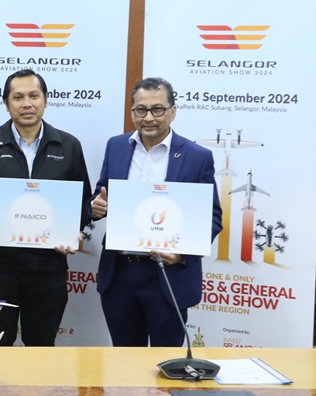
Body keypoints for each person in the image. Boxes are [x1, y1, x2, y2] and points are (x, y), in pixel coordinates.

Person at [90, 77, 223, 347]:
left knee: (166, 361)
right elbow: (101, 193)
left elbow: (212, 216)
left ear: (173, 111)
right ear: (132, 112)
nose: (148, 117)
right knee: (125, 360)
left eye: (157, 109)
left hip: (167, 275)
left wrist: (183, 253)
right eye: (141, 110)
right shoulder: (116, 146)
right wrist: (97, 206)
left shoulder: (197, 156)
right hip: (120, 274)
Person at [0, 69, 91, 346]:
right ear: (6, 103)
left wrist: (75, 231)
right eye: (18, 97)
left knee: (41, 348)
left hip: (48, 268)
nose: (27, 104)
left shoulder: (69, 146)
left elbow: (83, 204)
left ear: (45, 100)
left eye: (34, 96)